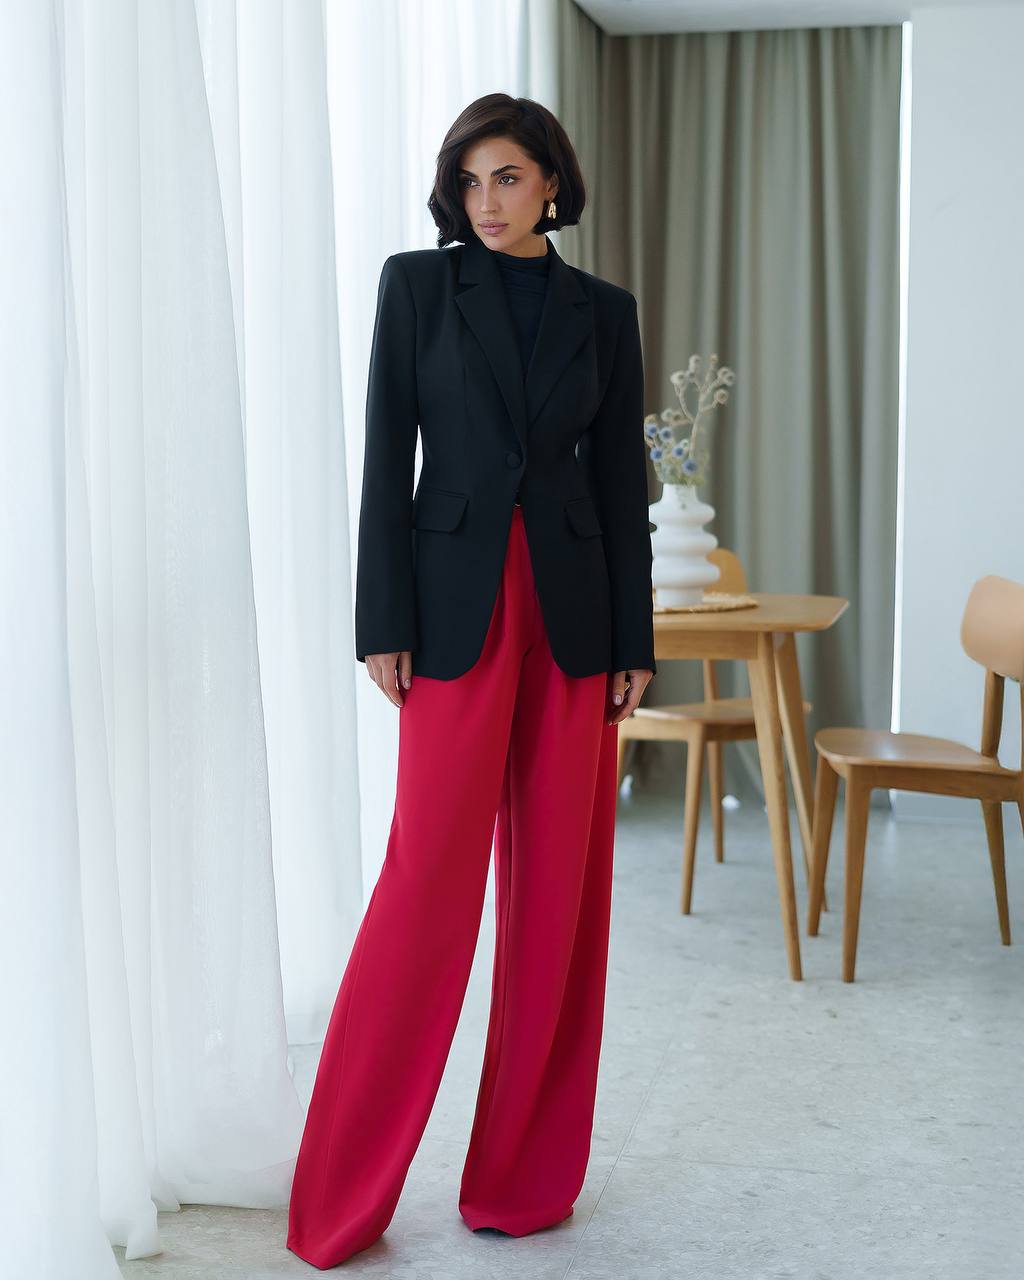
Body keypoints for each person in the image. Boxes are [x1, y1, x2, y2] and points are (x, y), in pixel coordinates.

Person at [286, 92, 656, 1269]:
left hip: (576, 618)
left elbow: (615, 487)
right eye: (469, 179)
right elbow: (384, 451)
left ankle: (520, 1180)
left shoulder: (604, 313)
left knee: (558, 896)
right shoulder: (414, 285)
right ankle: (342, 1191)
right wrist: (378, 619)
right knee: (424, 884)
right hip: (449, 612)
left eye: (507, 177)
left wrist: (634, 639)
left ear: (553, 182)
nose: (484, 200)